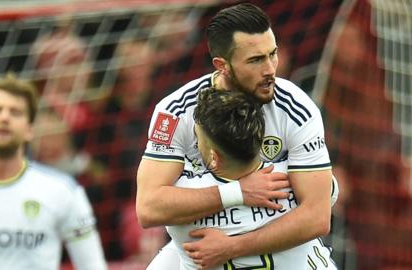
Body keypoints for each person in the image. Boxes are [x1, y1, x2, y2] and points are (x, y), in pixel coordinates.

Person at [136, 3, 334, 269]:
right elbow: (148, 209)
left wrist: (231, 247)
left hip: (251, 243)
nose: (270, 70)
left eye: (272, 54)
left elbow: (318, 218)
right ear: (222, 65)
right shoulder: (175, 112)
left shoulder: (296, 108)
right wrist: (237, 192)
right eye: (255, 60)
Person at [167, 87, 337, 269]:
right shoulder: (290, 180)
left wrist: (234, 194)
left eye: (197, 138)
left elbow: (153, 209)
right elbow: (324, 203)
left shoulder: (182, 206)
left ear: (214, 157)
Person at [0, 73, 107, 270]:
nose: (5, 117)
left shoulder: (63, 191)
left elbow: (93, 265)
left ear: (29, 129)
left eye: (15, 112)